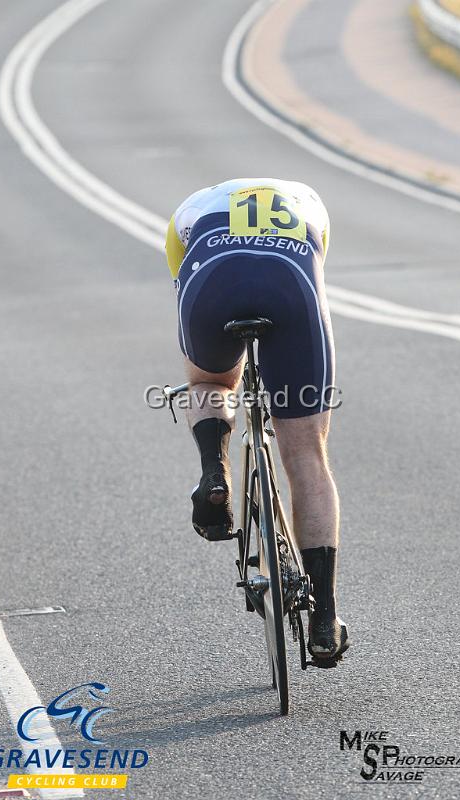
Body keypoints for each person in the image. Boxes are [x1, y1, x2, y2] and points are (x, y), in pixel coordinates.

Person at [165, 178, 349, 664]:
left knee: (210, 383)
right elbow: (314, 266)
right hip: (291, 283)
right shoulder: (309, 200)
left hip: (212, 283)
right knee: (307, 454)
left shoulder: (192, 207)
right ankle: (325, 616)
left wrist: (228, 373)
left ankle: (214, 470)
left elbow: (180, 275)